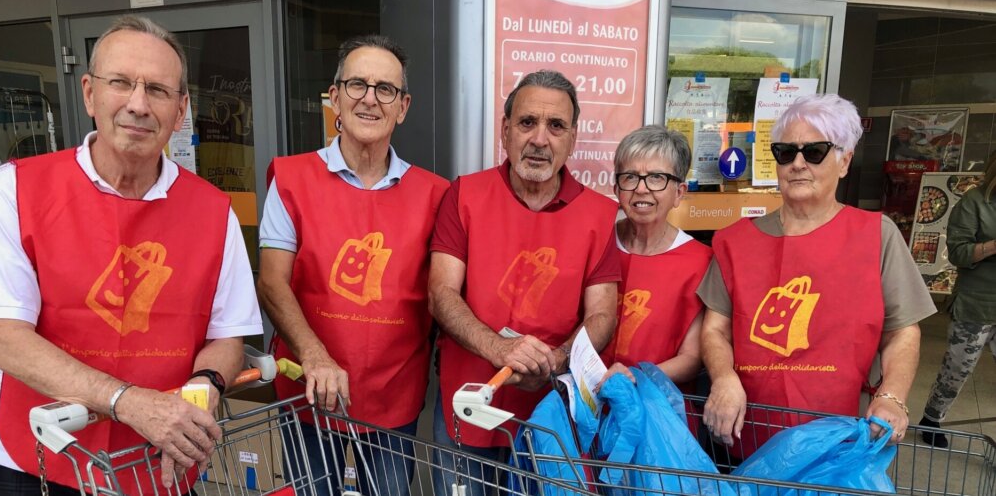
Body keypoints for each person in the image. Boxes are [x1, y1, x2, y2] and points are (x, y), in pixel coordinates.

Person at [0, 15, 262, 495]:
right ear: (88, 93)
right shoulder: (17, 188)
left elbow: (226, 337)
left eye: (159, 91)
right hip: (35, 455)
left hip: (155, 459)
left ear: (181, 109)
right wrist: (128, 401)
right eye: (121, 83)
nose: (138, 104)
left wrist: (200, 393)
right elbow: (6, 341)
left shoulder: (213, 210)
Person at [257, 35, 448, 496]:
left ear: (402, 107)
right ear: (335, 96)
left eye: (385, 89)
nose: (369, 98)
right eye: (357, 84)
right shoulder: (290, 178)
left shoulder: (437, 195)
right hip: (308, 388)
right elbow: (272, 282)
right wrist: (314, 354)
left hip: (395, 392)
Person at [699, 94, 934, 460]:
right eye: (785, 152)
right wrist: (724, 378)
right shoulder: (734, 241)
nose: (797, 164)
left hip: (840, 435)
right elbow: (715, 328)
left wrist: (892, 396)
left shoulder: (877, 234)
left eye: (814, 152)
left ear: (844, 161)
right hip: (748, 432)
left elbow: (902, 330)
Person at [428, 70, 620, 496]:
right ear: (505, 131)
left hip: (551, 414)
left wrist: (556, 360)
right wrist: (499, 348)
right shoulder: (464, 196)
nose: (539, 139)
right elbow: (441, 293)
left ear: (572, 139)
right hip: (469, 401)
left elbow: (603, 313)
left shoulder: (600, 215)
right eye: (527, 122)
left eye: (556, 126)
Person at [598, 126, 709, 388]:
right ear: (616, 188)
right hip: (589, 399)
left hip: (655, 407)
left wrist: (634, 378)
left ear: (679, 193)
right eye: (630, 177)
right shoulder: (598, 243)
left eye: (657, 178)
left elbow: (693, 357)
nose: (641, 189)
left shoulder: (700, 262)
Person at [919, 156, 996, 448]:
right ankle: (931, 417)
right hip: (976, 304)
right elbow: (958, 254)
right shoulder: (975, 202)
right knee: (956, 370)